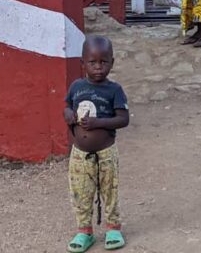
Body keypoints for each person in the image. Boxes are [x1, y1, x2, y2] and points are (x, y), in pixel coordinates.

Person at [64, 35, 129, 253]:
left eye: (104, 62)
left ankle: (113, 228)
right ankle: (84, 232)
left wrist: (97, 123)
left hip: (106, 152)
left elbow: (123, 119)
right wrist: (68, 115)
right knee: (80, 192)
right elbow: (65, 105)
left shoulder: (114, 90)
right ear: (83, 64)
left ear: (112, 62)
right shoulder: (76, 86)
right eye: (92, 62)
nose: (98, 68)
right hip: (79, 154)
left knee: (110, 189)